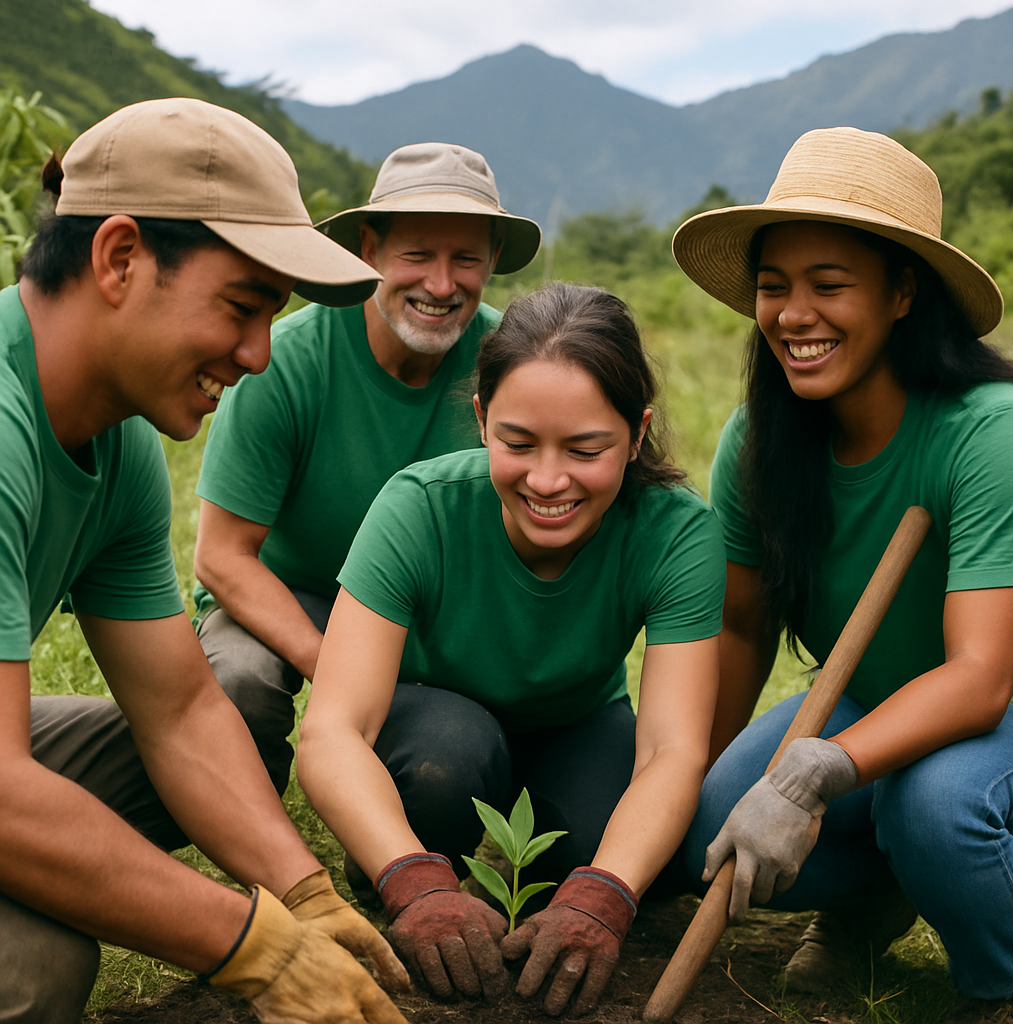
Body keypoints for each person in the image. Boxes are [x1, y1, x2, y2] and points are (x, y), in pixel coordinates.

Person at [1, 97, 411, 1024]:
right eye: (240, 306)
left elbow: (181, 711)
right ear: (118, 258)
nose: (260, 356)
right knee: (32, 969)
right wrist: (252, 950)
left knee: (216, 742)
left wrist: (302, 896)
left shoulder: (119, 446)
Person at [296, 281, 726, 1013]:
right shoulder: (418, 506)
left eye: (586, 449)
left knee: (646, 854)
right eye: (517, 443)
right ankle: (401, 849)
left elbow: (672, 751)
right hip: (437, 718)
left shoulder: (676, 532)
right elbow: (333, 732)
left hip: (576, 722)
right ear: (482, 420)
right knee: (445, 764)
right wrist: (412, 880)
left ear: (637, 432)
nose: (548, 480)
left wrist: (606, 894)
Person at [672, 127, 1013, 1002]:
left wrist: (811, 773)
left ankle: (1003, 980)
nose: (795, 315)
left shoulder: (990, 431)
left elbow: (981, 681)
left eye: (830, 285)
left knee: (935, 811)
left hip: (1005, 719)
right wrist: (705, 797)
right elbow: (742, 623)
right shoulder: (760, 439)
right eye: (774, 287)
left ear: (903, 292)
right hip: (877, 701)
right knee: (710, 827)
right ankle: (877, 899)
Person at [191, 142, 541, 799]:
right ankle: (244, 810)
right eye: (416, 255)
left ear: (492, 261)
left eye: (465, 258)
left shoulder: (512, 367)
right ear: (367, 250)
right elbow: (223, 557)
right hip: (297, 595)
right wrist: (343, 673)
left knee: (453, 762)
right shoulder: (287, 362)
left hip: (427, 618)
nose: (441, 285)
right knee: (238, 676)